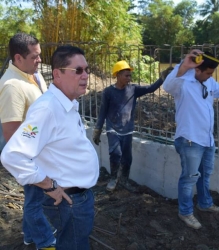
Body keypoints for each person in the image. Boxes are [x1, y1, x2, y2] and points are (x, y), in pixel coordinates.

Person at [1, 45, 100, 250]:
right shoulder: (48, 109)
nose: (85, 75)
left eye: (87, 70)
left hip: (76, 199)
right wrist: (48, 185)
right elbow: (13, 155)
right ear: (57, 74)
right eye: (78, 70)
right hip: (68, 201)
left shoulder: (67, 103)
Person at [163, 50, 219, 230]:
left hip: (207, 140)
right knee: (189, 178)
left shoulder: (208, 81)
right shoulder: (182, 83)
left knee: (204, 175)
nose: (210, 76)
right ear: (197, 70)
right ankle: (185, 212)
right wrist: (184, 65)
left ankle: (204, 203)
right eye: (208, 73)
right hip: (189, 140)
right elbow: (167, 86)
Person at [0, 33, 56, 249]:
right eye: (35, 57)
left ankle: (30, 236)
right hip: (30, 155)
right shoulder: (12, 86)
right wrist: (30, 165)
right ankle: (46, 242)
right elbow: (11, 132)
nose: (40, 60)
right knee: (36, 202)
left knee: (34, 198)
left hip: (41, 151)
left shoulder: (33, 75)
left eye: (39, 55)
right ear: (18, 57)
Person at [93, 60, 173, 192]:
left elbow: (151, 88)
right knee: (115, 153)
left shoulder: (133, 89)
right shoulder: (108, 92)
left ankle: (124, 180)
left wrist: (162, 78)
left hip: (127, 130)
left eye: (130, 76)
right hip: (113, 128)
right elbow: (102, 112)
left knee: (127, 158)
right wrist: (97, 129)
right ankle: (113, 179)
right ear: (117, 75)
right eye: (126, 75)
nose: (129, 78)